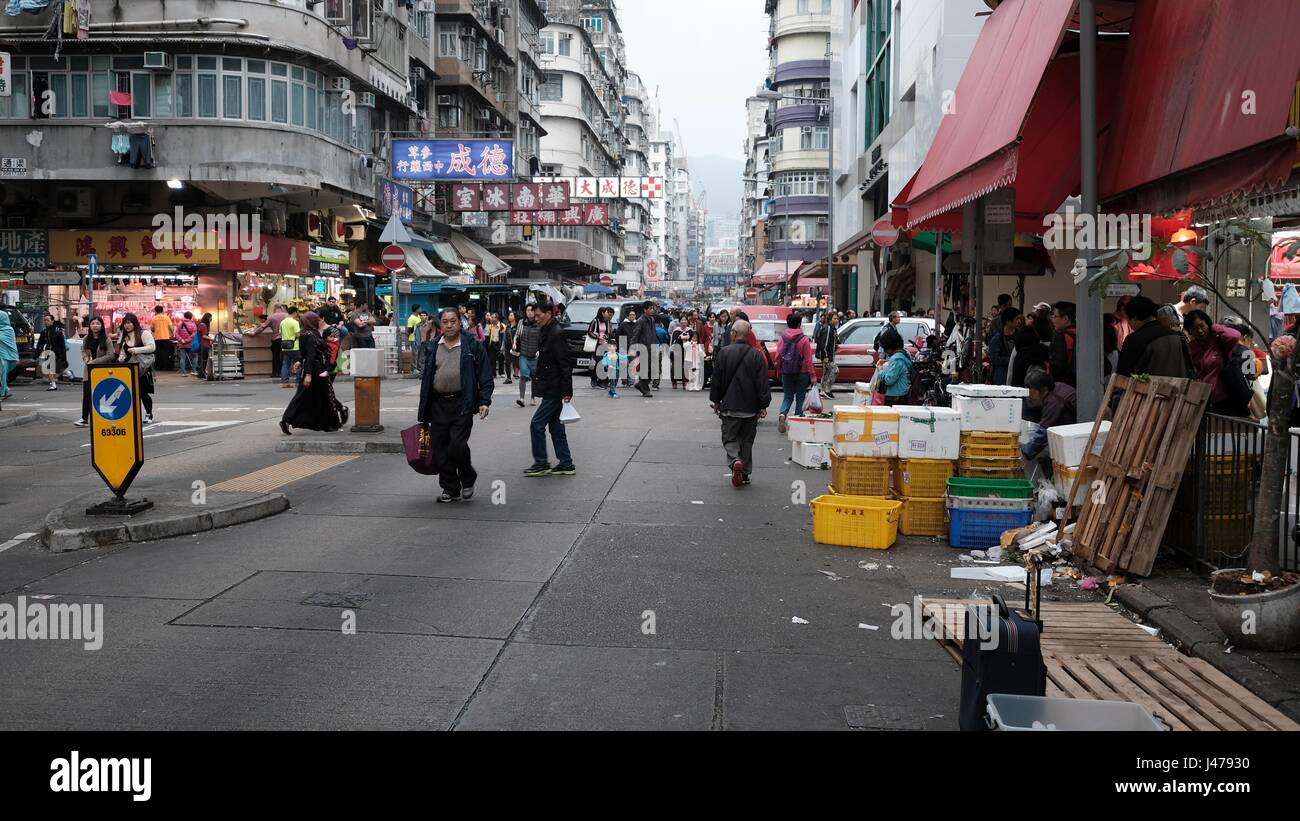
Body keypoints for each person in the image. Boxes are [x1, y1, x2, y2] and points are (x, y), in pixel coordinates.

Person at [414, 307, 494, 502]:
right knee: (440, 449)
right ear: (440, 324)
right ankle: (450, 488)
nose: (449, 325)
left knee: (457, 446)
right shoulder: (433, 346)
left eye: (453, 321)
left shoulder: (472, 345)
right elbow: (427, 378)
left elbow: (485, 375)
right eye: (445, 322)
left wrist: (484, 401)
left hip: (462, 403)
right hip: (438, 404)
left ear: (460, 323)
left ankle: (468, 478)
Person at [710, 319, 771, 487]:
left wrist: (716, 401)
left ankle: (735, 460)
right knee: (747, 441)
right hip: (751, 407)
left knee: (730, 438)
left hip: (730, 406)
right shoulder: (756, 355)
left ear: (734, 334)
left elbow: (717, 381)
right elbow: (762, 383)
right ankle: (744, 474)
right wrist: (763, 405)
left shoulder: (724, 353)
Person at [525, 298, 576, 477]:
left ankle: (541, 463)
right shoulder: (546, 330)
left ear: (548, 314)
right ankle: (566, 463)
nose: (535, 318)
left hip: (554, 388)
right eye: (534, 314)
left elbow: (565, 364)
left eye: (538, 315)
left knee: (536, 424)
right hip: (551, 385)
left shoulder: (556, 333)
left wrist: (567, 391)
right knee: (555, 427)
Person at [280, 312, 345, 435]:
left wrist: (299, 361)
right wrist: (309, 374)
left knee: (301, 396)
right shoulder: (312, 335)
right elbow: (311, 355)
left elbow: (301, 351)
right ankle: (330, 423)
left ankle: (286, 420)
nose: (319, 321)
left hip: (309, 367)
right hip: (316, 369)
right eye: (316, 320)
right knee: (325, 395)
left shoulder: (304, 333)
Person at [1116, 296, 1194, 379]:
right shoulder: (1178, 335)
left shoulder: (1134, 339)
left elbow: (1123, 375)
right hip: (1177, 389)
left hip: (1147, 390)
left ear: (1134, 318)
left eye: (1128, 320)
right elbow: (1189, 366)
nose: (1130, 325)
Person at [1185, 310, 1246, 416]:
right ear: (1190, 331)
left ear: (1207, 324)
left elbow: (1236, 335)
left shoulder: (1219, 339)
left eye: (1202, 326)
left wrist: (1216, 327)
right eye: (1194, 328)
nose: (1200, 331)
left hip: (1225, 396)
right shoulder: (1191, 347)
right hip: (1202, 398)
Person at [1021, 369, 1077, 463]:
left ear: (1042, 390)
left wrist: (1024, 453)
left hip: (1074, 434)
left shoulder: (1053, 402)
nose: (1029, 397)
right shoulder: (1058, 386)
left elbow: (1043, 433)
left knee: (1043, 457)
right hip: (1069, 428)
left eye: (1031, 392)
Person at [775, 313, 815, 432]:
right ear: (799, 324)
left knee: (787, 397)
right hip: (801, 372)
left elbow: (778, 357)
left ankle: (783, 414)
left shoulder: (782, 338)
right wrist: (812, 375)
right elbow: (808, 360)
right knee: (800, 397)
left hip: (786, 372)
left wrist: (779, 370)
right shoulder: (804, 339)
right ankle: (797, 422)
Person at [75, 316, 117, 426]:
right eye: (93, 323)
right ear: (90, 325)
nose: (95, 326)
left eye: (97, 324)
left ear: (102, 326)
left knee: (103, 395)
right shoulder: (86, 339)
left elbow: (111, 355)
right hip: (88, 370)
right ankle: (84, 418)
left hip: (103, 371)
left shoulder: (106, 339)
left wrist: (95, 362)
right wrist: (86, 359)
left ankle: (106, 418)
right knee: (87, 395)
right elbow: (83, 351)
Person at [115, 313, 156, 424]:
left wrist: (136, 350)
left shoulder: (144, 333)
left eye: (129, 323)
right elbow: (123, 352)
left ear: (134, 323)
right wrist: (119, 361)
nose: (127, 325)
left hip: (142, 368)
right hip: (129, 368)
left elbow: (152, 347)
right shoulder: (125, 336)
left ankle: (149, 414)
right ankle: (133, 414)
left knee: (143, 392)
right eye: (125, 323)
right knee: (129, 392)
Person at [874, 328, 913, 405]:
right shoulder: (905, 353)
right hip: (902, 395)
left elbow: (889, 380)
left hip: (895, 397)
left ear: (888, 346)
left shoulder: (896, 360)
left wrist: (881, 370)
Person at [514, 303, 541, 407]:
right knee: (523, 376)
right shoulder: (521, 322)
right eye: (527, 310)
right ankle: (521, 398)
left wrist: (540, 350)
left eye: (531, 310)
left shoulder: (539, 323)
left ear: (534, 312)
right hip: (524, 354)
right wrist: (515, 342)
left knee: (534, 377)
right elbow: (517, 335)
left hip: (535, 355)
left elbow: (542, 338)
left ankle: (533, 398)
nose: (529, 312)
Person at [631, 300, 659, 397]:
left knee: (652, 370)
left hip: (652, 348)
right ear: (645, 310)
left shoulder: (652, 319)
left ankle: (640, 384)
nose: (652, 310)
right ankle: (645, 390)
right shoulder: (640, 321)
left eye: (653, 308)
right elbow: (635, 335)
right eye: (650, 308)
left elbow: (653, 334)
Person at [988, 306, 1022, 385]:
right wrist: (1011, 360)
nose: (1019, 321)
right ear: (1008, 321)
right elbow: (994, 359)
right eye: (1017, 319)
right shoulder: (997, 339)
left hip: (1017, 377)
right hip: (1002, 378)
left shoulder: (1021, 336)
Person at [35, 313, 68, 391]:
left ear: (52, 321)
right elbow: (40, 343)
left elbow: (62, 345)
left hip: (57, 353)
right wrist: (36, 353)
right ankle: (55, 383)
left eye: (47, 320)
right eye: (45, 320)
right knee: (49, 369)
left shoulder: (58, 331)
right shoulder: (44, 332)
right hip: (48, 352)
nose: (45, 322)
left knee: (51, 369)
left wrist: (63, 356)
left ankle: (55, 383)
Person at [254, 304, 288, 379]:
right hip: (286, 339)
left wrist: (254, 333)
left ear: (274, 309)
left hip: (276, 339)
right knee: (285, 356)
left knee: (276, 356)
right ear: (281, 308)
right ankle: (284, 373)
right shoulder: (287, 316)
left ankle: (276, 373)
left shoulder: (271, 317)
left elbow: (263, 327)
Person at [1048, 301, 1077, 387]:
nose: (1053, 319)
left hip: (1064, 386)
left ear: (1065, 319)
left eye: (1055, 316)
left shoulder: (1060, 336)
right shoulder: (1083, 335)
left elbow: (1058, 367)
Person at [587, 306, 615, 388]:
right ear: (602, 313)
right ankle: (595, 379)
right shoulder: (595, 321)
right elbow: (589, 331)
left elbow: (608, 333)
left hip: (605, 345)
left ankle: (600, 380)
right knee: (598, 363)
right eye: (606, 312)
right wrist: (598, 336)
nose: (607, 315)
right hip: (597, 345)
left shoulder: (607, 322)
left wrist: (606, 336)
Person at [815, 310, 840, 397]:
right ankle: (826, 389)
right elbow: (824, 343)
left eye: (837, 319)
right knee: (834, 370)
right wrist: (825, 356)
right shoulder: (828, 328)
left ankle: (823, 390)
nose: (837, 320)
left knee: (827, 372)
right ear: (830, 319)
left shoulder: (833, 329)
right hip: (827, 356)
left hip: (830, 355)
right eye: (835, 318)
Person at [278, 306, 301, 387]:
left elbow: (280, 334)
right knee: (298, 364)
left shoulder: (282, 322)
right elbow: (298, 334)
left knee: (285, 364)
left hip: (285, 346)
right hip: (295, 347)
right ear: (294, 312)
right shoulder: (295, 322)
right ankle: (298, 383)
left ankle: (285, 382)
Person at [150, 305, 174, 371]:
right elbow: (171, 328)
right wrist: (172, 333)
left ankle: (158, 367)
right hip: (166, 337)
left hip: (157, 338)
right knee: (166, 353)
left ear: (155, 311)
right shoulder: (166, 318)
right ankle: (166, 367)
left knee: (158, 353)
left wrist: (155, 330)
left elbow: (152, 329)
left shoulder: (154, 318)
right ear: (162, 310)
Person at [175, 311, 199, 377]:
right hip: (191, 344)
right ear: (191, 317)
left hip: (182, 344)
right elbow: (194, 335)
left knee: (182, 358)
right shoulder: (193, 324)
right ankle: (194, 371)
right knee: (194, 357)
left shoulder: (180, 324)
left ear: (184, 316)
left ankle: (183, 372)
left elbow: (176, 334)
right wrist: (187, 340)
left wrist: (182, 340)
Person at [0, 310, 17, 401]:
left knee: (2, 373)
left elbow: (11, 344)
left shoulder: (9, 330)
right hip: (2, 356)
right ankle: (5, 390)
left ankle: (3, 392)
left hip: (7, 356)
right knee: (2, 373)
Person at [196, 312, 215, 380]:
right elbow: (204, 336)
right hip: (204, 345)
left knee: (202, 360)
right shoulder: (203, 325)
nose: (211, 319)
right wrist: (212, 338)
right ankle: (202, 374)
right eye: (210, 318)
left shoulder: (201, 324)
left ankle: (201, 374)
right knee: (204, 360)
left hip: (202, 344)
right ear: (208, 318)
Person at [406, 304, 424, 374]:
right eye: (420, 308)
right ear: (416, 309)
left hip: (419, 338)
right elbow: (409, 329)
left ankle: (418, 368)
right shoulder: (411, 318)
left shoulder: (419, 317)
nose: (421, 309)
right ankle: (413, 369)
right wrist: (409, 337)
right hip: (413, 338)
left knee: (419, 354)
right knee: (415, 354)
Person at [504, 310, 521, 385]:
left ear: (515, 317)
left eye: (511, 315)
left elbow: (519, 337)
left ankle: (525, 375)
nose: (509, 317)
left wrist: (516, 345)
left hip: (516, 347)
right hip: (507, 348)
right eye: (509, 315)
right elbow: (505, 337)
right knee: (507, 362)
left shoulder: (518, 326)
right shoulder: (507, 326)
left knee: (518, 363)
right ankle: (508, 378)